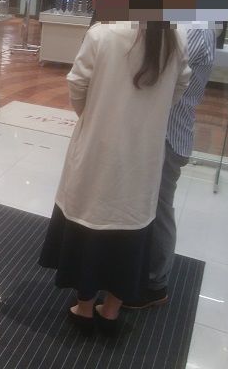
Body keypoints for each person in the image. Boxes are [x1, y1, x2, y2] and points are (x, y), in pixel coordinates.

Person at [39, 21, 190, 334]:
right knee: (132, 228)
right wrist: (149, 114)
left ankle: (83, 307)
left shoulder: (103, 34)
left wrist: (95, 116)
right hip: (144, 154)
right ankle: (110, 311)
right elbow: (179, 88)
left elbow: (77, 85)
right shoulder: (176, 38)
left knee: (90, 222)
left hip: (100, 149)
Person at [124, 26, 216, 308]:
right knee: (147, 206)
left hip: (168, 136)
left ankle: (154, 284)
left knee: (158, 209)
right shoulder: (185, 25)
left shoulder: (196, 30)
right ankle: (140, 273)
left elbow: (154, 72)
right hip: (157, 132)